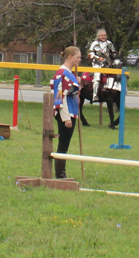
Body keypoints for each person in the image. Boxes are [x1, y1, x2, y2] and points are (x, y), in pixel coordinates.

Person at [50, 46, 81, 179]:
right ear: (70, 57)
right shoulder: (63, 74)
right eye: (78, 57)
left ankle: (61, 173)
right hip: (66, 114)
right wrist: (66, 117)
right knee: (63, 145)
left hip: (71, 112)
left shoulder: (69, 73)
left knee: (65, 145)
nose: (79, 60)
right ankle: (60, 175)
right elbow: (60, 97)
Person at [88, 29, 116, 102]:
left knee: (113, 76)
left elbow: (113, 53)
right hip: (97, 64)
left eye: (104, 35)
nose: (104, 37)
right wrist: (98, 58)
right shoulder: (94, 43)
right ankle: (95, 95)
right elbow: (90, 54)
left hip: (107, 63)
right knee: (97, 78)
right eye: (102, 35)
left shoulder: (109, 43)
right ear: (98, 36)